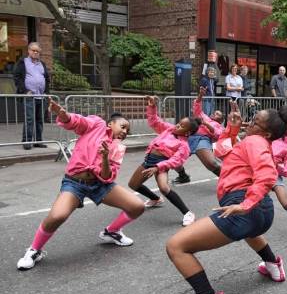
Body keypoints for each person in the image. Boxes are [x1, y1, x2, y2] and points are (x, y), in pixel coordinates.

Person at [165, 103, 287, 294]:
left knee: (176, 246)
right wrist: (232, 131)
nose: (249, 123)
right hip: (261, 212)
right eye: (252, 119)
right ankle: (273, 264)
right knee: (250, 233)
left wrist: (245, 204)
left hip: (245, 207)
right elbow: (222, 152)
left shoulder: (255, 141)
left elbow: (267, 174)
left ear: (266, 133)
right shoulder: (255, 141)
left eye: (255, 123)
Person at [17, 98, 144, 270]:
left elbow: (107, 177)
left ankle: (111, 232)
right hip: (75, 182)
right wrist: (63, 114)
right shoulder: (97, 125)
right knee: (57, 216)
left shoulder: (118, 148)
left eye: (127, 131)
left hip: (99, 184)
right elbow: (78, 122)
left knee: (137, 206)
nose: (125, 132)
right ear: (110, 123)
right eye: (122, 126)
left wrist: (105, 157)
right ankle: (35, 250)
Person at [127, 96, 200, 227]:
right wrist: (152, 106)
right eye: (179, 122)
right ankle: (155, 199)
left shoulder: (183, 145)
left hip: (162, 164)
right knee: (133, 185)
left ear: (188, 132)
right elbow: (155, 121)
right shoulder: (169, 129)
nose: (178, 125)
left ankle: (188, 213)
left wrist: (158, 167)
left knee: (164, 187)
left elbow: (175, 161)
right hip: (149, 160)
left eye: (182, 126)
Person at [173, 89, 225, 184]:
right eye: (215, 112)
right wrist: (200, 95)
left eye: (218, 114)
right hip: (188, 137)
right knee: (173, 158)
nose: (214, 113)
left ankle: (229, 180)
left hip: (202, 139)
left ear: (221, 120)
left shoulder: (219, 126)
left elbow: (217, 134)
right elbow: (197, 106)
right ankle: (183, 176)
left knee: (211, 164)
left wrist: (206, 124)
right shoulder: (204, 116)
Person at [14, 42, 50, 150]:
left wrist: (46, 91)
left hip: (41, 96)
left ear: (40, 52)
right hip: (29, 96)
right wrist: (25, 91)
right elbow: (17, 77)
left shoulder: (42, 64)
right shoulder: (22, 62)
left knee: (40, 120)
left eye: (37, 51)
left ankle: (38, 141)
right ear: (29, 51)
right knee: (29, 119)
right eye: (33, 50)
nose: (35, 52)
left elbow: (47, 78)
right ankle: (27, 141)